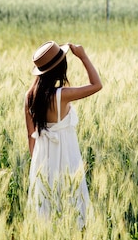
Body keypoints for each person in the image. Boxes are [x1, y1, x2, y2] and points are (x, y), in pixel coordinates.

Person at [24, 41, 102, 228]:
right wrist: (83, 56)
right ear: (60, 68)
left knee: (46, 208)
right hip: (66, 155)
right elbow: (96, 85)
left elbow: (30, 135)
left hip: (42, 158)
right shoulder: (62, 95)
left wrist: (38, 167)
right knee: (70, 202)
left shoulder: (29, 96)